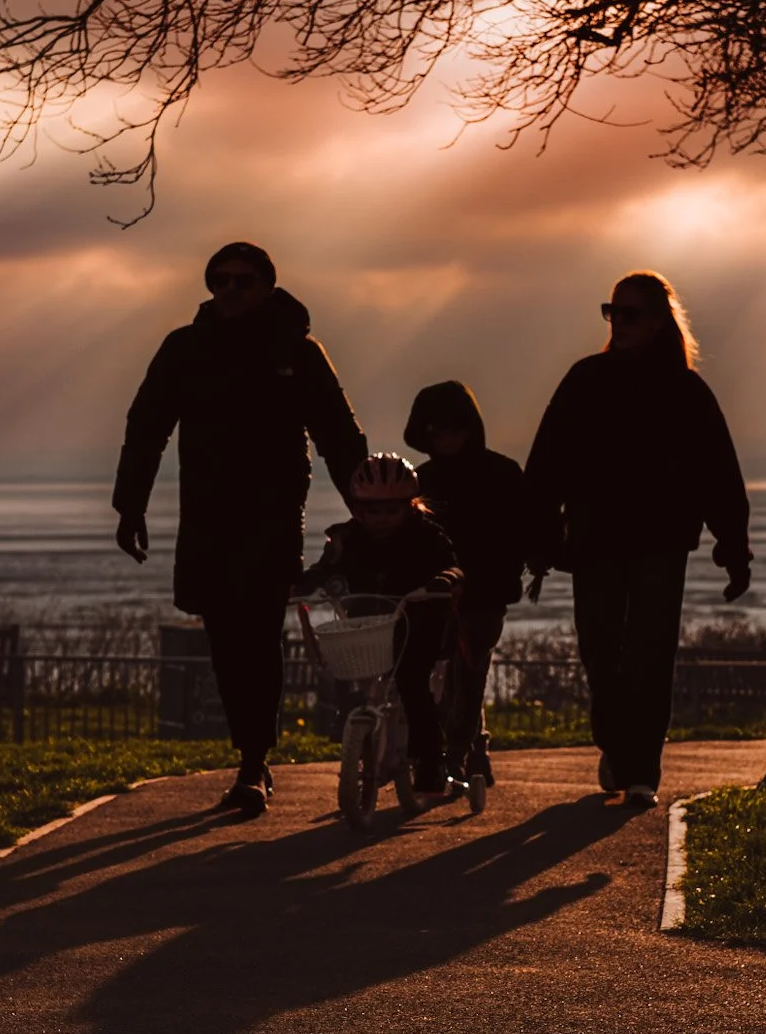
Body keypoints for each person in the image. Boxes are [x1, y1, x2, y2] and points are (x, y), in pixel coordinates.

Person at [113, 241, 367, 817]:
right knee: (225, 639)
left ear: (266, 287)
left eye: (244, 281)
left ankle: (253, 764)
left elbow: (338, 432)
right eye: (220, 280)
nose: (230, 289)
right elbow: (146, 426)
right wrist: (130, 507)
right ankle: (251, 757)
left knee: (257, 632)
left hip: (272, 515)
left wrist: (367, 509)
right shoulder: (184, 349)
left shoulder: (299, 353)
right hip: (205, 513)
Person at [523, 270, 751, 811]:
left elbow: (718, 473)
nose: (618, 323)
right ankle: (617, 745)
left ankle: (642, 768)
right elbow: (546, 463)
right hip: (595, 541)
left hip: (661, 542)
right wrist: (538, 536)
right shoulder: (584, 379)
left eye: (630, 314)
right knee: (599, 649)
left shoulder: (687, 391)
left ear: (658, 322)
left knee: (650, 652)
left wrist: (734, 548)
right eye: (612, 312)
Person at [298, 452, 463, 795]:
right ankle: (358, 741)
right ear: (358, 510)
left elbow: (453, 565)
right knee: (350, 677)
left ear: (410, 506)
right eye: (374, 511)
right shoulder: (346, 539)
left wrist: (443, 580)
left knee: (413, 683)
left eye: (392, 510)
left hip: (419, 624)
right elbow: (326, 568)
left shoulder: (427, 536)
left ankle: (430, 762)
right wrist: (306, 583)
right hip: (370, 626)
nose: (382, 519)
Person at [403, 379, 528, 789]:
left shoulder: (503, 473)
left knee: (469, 675)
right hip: (435, 594)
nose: (446, 437)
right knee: (442, 677)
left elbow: (522, 532)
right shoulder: (416, 482)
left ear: (470, 428)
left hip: (486, 594)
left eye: (455, 428)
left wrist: (528, 567)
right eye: (437, 430)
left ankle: (457, 756)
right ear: (425, 433)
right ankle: (471, 751)